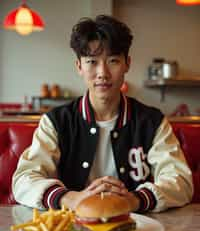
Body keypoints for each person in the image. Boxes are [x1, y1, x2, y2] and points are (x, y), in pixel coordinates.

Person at [12, 15, 193, 213]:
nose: (103, 73)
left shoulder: (151, 121)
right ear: (79, 67)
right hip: (71, 228)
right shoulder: (56, 122)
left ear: (127, 64)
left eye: (113, 60)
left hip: (136, 227)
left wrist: (135, 200)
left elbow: (181, 182)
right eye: (92, 61)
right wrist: (70, 198)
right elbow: (23, 180)